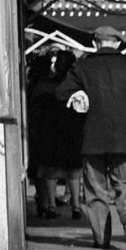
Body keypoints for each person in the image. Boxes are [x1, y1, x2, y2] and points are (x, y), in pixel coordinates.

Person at [57, 25, 126, 249]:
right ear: (118, 43)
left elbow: (62, 93)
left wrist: (77, 98)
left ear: (95, 43)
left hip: (92, 137)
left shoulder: (82, 67)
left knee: (95, 189)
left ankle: (101, 237)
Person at [27, 49, 83, 220]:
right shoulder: (75, 86)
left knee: (50, 170)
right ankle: (76, 206)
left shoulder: (43, 86)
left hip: (48, 131)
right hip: (71, 131)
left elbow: (34, 107)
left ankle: (51, 205)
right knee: (73, 170)